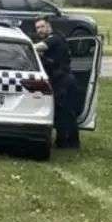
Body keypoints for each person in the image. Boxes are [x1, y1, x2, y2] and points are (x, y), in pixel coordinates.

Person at [34, 16, 79, 149]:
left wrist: (25, 46)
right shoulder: (53, 39)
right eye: (37, 28)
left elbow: (40, 46)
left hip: (64, 81)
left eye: (42, 26)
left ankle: (70, 143)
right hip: (59, 80)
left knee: (66, 112)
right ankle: (64, 142)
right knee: (61, 112)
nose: (40, 30)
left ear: (49, 26)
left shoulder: (55, 38)